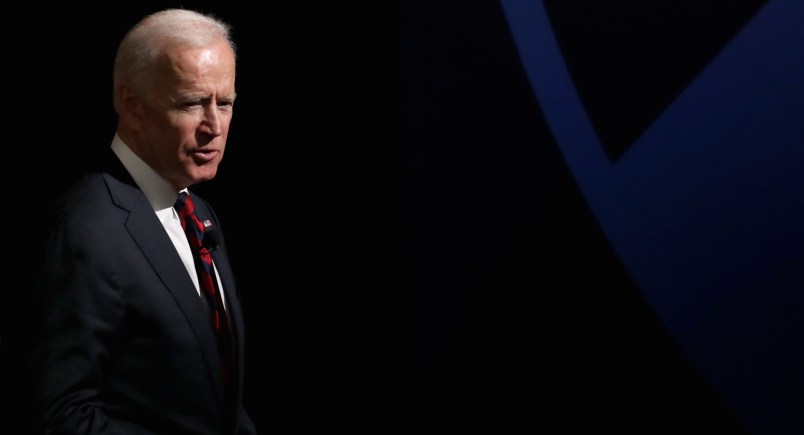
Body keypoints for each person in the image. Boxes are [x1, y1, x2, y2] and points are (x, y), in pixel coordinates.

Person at [27, 8, 256, 434]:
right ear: (131, 105)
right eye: (191, 103)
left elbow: (217, 399)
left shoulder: (197, 212)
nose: (214, 127)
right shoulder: (86, 231)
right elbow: (62, 416)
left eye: (224, 103)